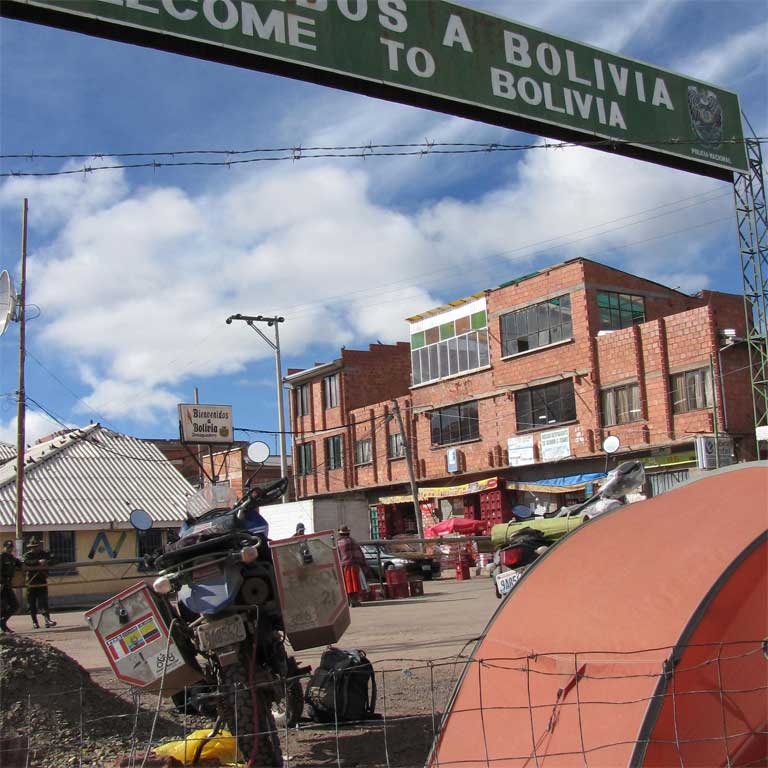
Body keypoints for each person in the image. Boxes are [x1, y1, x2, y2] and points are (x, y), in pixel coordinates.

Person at [23, 538, 57, 629]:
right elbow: (26, 562)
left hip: (42, 581)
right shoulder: (28, 555)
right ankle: (34, 622)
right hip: (31, 582)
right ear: (30, 548)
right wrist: (38, 562)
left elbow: (54, 559)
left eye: (36, 547)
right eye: (32, 547)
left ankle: (47, 620)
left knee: (43, 602)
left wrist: (46, 562)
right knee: (32, 604)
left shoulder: (44, 554)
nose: (35, 549)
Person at [336, 526, 368, 607]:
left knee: (346, 584)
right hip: (354, 565)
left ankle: (348, 601)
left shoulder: (338, 543)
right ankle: (354, 601)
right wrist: (364, 564)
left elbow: (336, 555)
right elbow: (359, 554)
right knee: (354, 584)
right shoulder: (352, 541)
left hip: (343, 566)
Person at [1, 540, 22, 633]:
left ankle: (2, 622)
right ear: (4, 547)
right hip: (1, 584)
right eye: (8, 547)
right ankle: (3, 627)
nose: (10, 549)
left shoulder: (12, 558)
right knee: (2, 606)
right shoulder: (1, 557)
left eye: (11, 548)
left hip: (8, 584)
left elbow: (20, 564)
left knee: (15, 605)